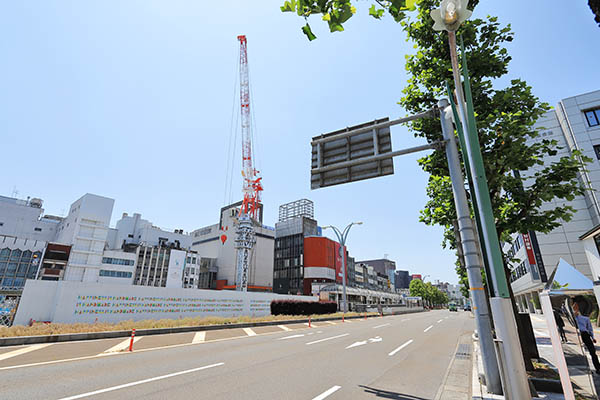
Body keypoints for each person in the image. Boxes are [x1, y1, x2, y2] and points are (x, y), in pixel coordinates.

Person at [574, 302, 600, 374]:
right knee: (581, 353)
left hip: (585, 335)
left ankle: (598, 368)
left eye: (576, 307)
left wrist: (592, 337)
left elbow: (589, 328)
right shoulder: (573, 318)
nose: (575, 309)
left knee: (592, 352)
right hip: (578, 334)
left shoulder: (585, 318)